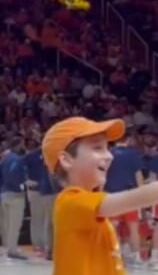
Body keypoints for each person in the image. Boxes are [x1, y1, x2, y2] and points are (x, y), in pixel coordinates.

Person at [41, 116, 158, 275]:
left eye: (107, 148)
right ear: (66, 160)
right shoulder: (70, 201)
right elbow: (138, 197)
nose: (110, 156)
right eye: (97, 148)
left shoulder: (88, 202)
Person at [104, 131, 144, 266]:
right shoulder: (133, 154)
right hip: (131, 195)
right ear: (129, 140)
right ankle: (137, 258)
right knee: (133, 228)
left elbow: (102, 176)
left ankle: (115, 257)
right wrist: (142, 196)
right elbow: (138, 176)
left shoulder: (108, 154)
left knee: (113, 228)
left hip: (112, 196)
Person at [0, 138, 28, 260]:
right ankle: (12, 250)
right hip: (15, 195)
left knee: (7, 223)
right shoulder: (17, 159)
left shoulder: (4, 159)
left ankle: (9, 247)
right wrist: (21, 187)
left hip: (4, 193)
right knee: (15, 224)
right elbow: (14, 175)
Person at [22, 139, 46, 255]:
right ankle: (37, 244)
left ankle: (47, 243)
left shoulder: (53, 155)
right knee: (37, 218)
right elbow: (21, 169)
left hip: (48, 191)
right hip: (35, 191)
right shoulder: (31, 156)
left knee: (47, 219)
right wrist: (26, 181)